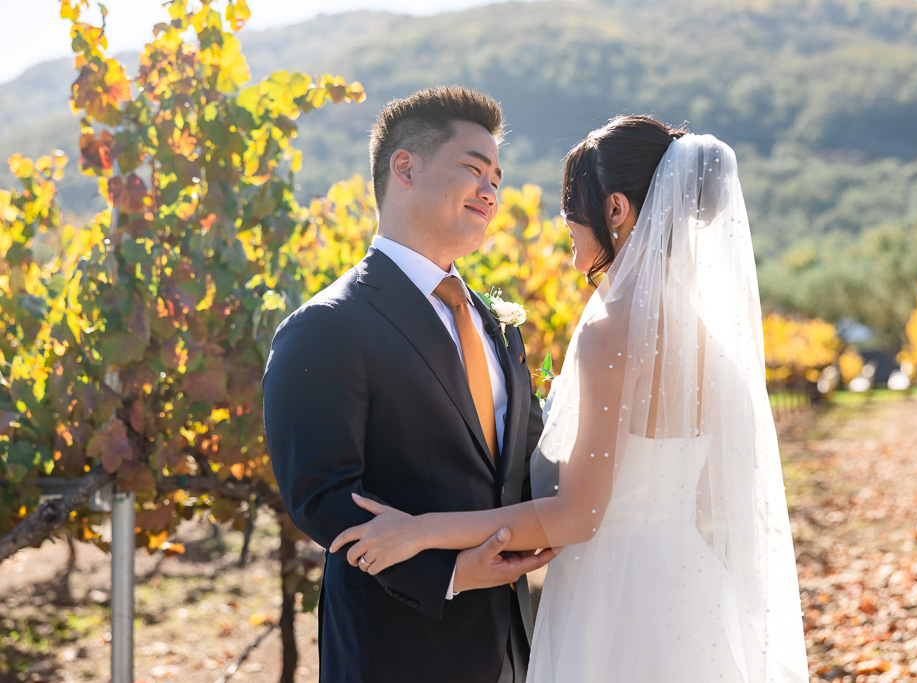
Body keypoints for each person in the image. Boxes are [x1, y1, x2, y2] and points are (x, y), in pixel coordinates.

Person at [332, 115, 810, 681]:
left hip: (616, 594)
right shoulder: (714, 345)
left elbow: (578, 515)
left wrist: (419, 530)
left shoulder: (612, 332)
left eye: (572, 220)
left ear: (615, 211)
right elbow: (710, 497)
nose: (571, 245)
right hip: (693, 587)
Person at [262, 85, 553, 683]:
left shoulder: (496, 324)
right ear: (405, 168)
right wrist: (450, 572)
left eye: (497, 176)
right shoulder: (329, 325)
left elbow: (524, 462)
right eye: (474, 168)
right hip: (396, 647)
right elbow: (320, 495)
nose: (491, 189)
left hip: (509, 643)